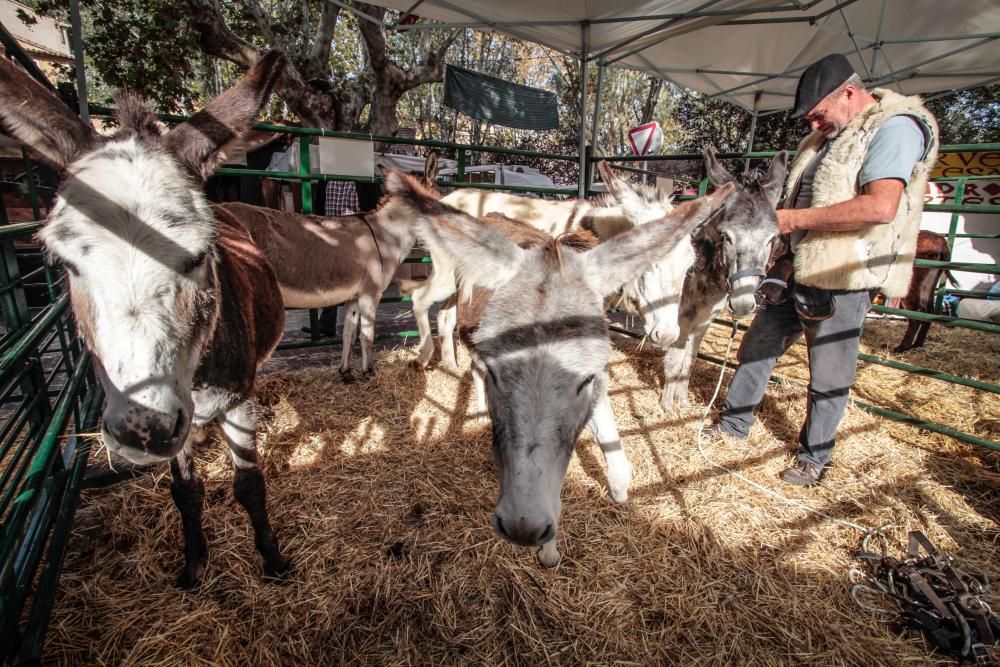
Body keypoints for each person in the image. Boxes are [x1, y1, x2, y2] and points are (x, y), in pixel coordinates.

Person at [705, 54, 940, 486]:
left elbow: (880, 206)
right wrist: (782, 255)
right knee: (758, 345)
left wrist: (790, 222)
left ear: (849, 94)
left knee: (830, 370)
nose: (812, 126)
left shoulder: (893, 128)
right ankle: (733, 425)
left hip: (843, 272)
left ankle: (814, 458)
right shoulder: (829, 137)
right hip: (798, 263)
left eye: (818, 114)